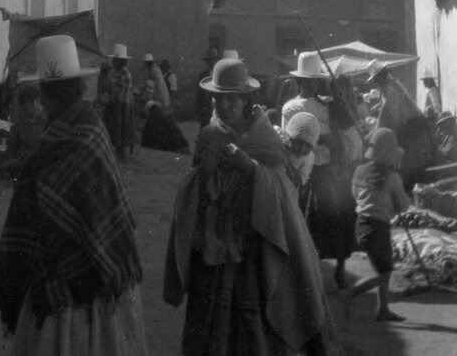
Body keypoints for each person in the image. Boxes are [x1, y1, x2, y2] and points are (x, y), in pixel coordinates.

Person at [0, 34, 148, 353]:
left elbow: (75, 199)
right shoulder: (85, 129)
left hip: (78, 278)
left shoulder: (81, 134)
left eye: (47, 97)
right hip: (92, 267)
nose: (43, 104)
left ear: (55, 95)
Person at [164, 55, 335, 355]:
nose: (225, 107)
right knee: (210, 325)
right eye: (218, 100)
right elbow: (194, 190)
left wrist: (251, 169)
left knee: (253, 322)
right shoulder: (208, 136)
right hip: (214, 247)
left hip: (255, 245)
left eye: (233, 100)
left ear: (246, 99)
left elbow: (282, 189)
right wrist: (204, 173)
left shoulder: (265, 137)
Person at [347, 127, 412, 323]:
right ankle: (351, 293)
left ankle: (383, 309)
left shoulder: (359, 171)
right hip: (378, 228)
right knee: (384, 273)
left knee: (384, 269)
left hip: (361, 224)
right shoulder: (392, 177)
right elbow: (403, 205)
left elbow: (354, 195)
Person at [96, 43, 135, 160]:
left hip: (123, 104)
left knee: (122, 130)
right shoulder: (120, 72)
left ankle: (123, 154)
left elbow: (112, 88)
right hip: (122, 103)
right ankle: (120, 153)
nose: (113, 63)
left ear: (120, 61)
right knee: (120, 130)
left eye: (114, 61)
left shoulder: (123, 73)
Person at [5, 83, 47, 177]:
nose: (25, 109)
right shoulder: (18, 126)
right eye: (24, 105)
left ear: (36, 101)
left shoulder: (47, 122)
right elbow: (9, 154)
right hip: (24, 172)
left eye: (26, 105)